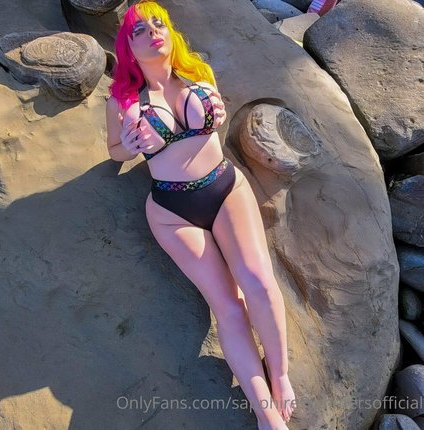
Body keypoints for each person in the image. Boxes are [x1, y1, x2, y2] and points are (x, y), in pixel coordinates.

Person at [106, 1, 297, 429]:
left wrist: (220, 116)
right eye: (140, 30)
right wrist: (127, 146)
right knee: (228, 307)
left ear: (170, 31)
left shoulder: (198, 74)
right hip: (173, 211)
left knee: (259, 284)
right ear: (128, 47)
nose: (153, 32)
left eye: (158, 23)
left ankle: (280, 374)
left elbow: (214, 126)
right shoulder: (123, 100)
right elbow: (114, 150)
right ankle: (266, 413)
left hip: (225, 189)